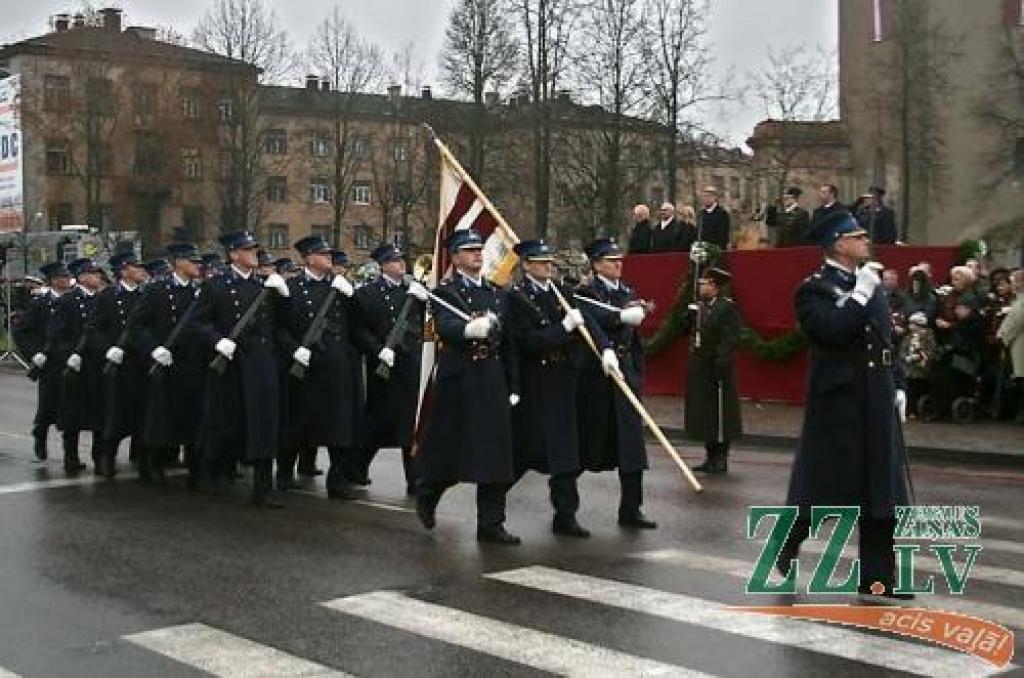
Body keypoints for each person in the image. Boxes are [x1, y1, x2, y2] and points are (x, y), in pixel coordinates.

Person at [775, 210, 910, 600]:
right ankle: (790, 538)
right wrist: (861, 294)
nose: (865, 241)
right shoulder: (813, 289)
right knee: (826, 483)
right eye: (857, 236)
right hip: (839, 399)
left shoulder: (869, 283)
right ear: (837, 244)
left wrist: (898, 383)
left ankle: (878, 577)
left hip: (876, 393)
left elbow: (885, 338)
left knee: (880, 487)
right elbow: (831, 330)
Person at [414, 228, 521, 545]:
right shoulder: (445, 292)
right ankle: (428, 492)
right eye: (470, 250)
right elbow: (443, 327)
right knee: (452, 448)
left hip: (491, 378)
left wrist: (514, 384)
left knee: (496, 454)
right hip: (460, 378)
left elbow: (509, 343)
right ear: (456, 257)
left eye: (479, 249)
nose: (477, 254)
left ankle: (491, 524)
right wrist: (468, 330)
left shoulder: (497, 294)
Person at [190, 230, 288, 508]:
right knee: (225, 422)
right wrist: (217, 341)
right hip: (231, 364)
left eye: (255, 249)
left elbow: (280, 325)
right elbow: (197, 322)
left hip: (261, 364)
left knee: (264, 425)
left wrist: (285, 296)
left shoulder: (264, 287)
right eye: (247, 249)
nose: (254, 253)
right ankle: (211, 472)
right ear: (233, 254)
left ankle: (263, 488)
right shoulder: (217, 286)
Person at [505, 239, 591, 538]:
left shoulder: (562, 293)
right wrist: (562, 329)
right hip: (536, 380)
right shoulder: (517, 298)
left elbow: (582, 333)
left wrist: (583, 352)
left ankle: (565, 515)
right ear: (526, 265)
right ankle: (491, 514)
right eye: (541, 262)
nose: (547, 266)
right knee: (525, 451)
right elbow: (527, 342)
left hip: (563, 379)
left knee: (566, 453)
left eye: (549, 262)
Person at [575, 237, 657, 529]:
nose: (618, 264)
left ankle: (631, 509)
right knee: (588, 442)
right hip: (597, 375)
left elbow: (634, 339)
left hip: (625, 372)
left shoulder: (627, 292)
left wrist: (636, 371)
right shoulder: (586, 293)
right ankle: (565, 508)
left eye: (619, 259)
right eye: (611, 260)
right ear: (597, 265)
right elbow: (591, 320)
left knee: (632, 444)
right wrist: (610, 339)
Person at [275, 234, 365, 499]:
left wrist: (352, 296)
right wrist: (294, 349)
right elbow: (279, 327)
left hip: (335, 367)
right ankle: (284, 474)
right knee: (297, 421)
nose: (329, 258)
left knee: (339, 424)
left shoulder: (339, 287)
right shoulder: (291, 287)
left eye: (330, 254)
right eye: (323, 254)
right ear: (309, 258)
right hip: (304, 366)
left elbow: (357, 324)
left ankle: (337, 481)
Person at [352, 242, 428, 495]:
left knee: (411, 423)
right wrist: (377, 350)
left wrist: (425, 302)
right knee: (378, 423)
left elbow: (428, 327)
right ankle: (357, 467)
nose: (401, 264)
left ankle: (414, 478)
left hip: (410, 363)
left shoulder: (413, 292)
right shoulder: (368, 293)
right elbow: (359, 329)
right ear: (383, 265)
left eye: (402, 259)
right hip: (384, 366)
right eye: (395, 260)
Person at [132, 243, 206, 487]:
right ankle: (152, 464)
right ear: (179, 263)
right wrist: (153, 348)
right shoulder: (157, 290)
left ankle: (195, 469)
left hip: (193, 364)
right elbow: (137, 325)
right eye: (193, 261)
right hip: (166, 362)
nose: (198, 266)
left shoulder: (200, 292)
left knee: (193, 417)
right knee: (161, 418)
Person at [92, 251, 150, 478]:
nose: (142, 270)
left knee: (143, 414)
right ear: (124, 271)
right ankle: (106, 457)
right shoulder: (107, 297)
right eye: (137, 267)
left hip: (142, 361)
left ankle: (145, 460)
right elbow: (94, 329)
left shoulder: (146, 294)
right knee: (115, 414)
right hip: (118, 364)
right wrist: (107, 349)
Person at [683, 266, 742, 474]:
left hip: (718, 369)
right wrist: (689, 317)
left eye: (704, 284)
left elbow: (730, 337)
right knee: (705, 414)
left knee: (720, 414)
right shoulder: (699, 308)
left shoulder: (726, 308)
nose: (701, 287)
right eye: (700, 284)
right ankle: (709, 455)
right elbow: (687, 332)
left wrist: (722, 362)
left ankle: (721, 457)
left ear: (714, 286)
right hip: (700, 368)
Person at [51, 258, 106, 474]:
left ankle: (100, 457)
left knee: (100, 414)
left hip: (98, 364)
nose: (98, 277)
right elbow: (57, 334)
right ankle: (71, 456)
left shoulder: (103, 299)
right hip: (76, 365)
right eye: (93, 273)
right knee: (73, 416)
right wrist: (69, 355)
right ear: (82, 277)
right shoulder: (68, 301)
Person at [12, 261, 73, 461]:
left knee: (71, 408)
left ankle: (71, 455)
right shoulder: (40, 303)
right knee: (48, 406)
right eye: (62, 277)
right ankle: (40, 434)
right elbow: (21, 332)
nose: (66, 280)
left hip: (71, 359)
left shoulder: (74, 300)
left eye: (67, 276)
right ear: (53, 280)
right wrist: (34, 353)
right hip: (50, 362)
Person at [996, 270, 1024, 424]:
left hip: (1019, 342)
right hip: (1017, 341)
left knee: (1021, 378)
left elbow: (1016, 320)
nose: (1012, 285)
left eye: (1014, 281)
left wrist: (1002, 336)